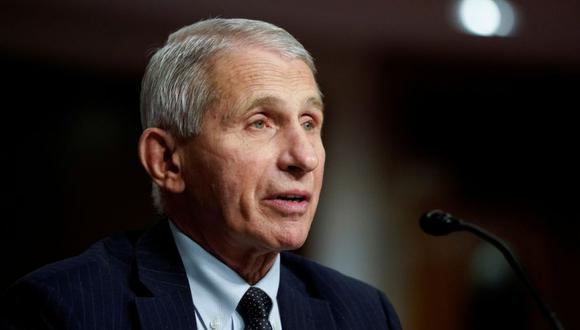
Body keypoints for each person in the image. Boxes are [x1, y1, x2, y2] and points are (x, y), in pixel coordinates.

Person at [1, 18, 402, 329]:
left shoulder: (364, 313)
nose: (304, 158)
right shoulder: (64, 308)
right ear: (167, 161)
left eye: (310, 122)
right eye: (260, 122)